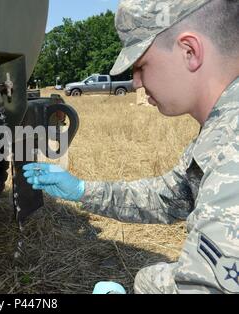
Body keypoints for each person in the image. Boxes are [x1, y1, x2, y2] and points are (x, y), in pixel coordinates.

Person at [23, 0, 239, 294]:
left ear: (190, 51)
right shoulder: (223, 126)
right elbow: (171, 196)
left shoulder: (231, 147)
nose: (136, 83)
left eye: (140, 65)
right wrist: (82, 190)